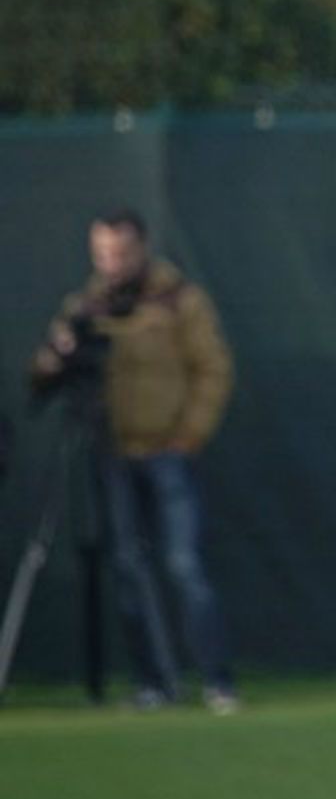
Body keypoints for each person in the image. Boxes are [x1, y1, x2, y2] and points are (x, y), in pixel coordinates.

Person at [29, 208, 238, 712]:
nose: (112, 262)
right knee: (129, 569)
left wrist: (188, 435)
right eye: (102, 252)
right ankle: (157, 684)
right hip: (111, 458)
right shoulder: (83, 307)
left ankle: (217, 682)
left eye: (120, 251)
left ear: (141, 247)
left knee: (183, 565)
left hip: (169, 455)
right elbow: (42, 375)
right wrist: (56, 355)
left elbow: (214, 369)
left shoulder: (179, 299)